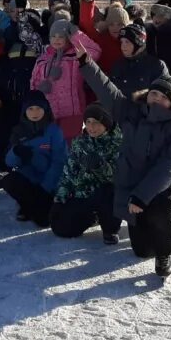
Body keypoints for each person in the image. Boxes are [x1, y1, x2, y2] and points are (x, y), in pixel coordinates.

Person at [77, 44, 171, 278]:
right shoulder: (134, 112)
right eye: (154, 93)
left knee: (161, 209)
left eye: (163, 96)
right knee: (141, 250)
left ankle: (166, 253)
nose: (156, 98)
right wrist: (87, 63)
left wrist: (141, 195)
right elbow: (109, 92)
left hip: (164, 186)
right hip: (134, 183)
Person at [50, 102, 124, 245]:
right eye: (88, 122)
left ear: (106, 124)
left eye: (96, 122)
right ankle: (92, 217)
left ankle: (110, 229)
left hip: (107, 194)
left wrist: (100, 166)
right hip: (83, 193)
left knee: (109, 192)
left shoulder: (118, 143)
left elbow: (119, 177)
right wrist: (61, 195)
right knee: (60, 228)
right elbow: (69, 171)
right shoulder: (80, 142)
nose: (91, 127)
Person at [30, 17, 101, 143]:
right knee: (49, 145)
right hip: (48, 112)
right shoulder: (43, 58)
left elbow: (95, 51)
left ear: (68, 38)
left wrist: (75, 34)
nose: (56, 39)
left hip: (72, 113)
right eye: (53, 36)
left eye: (61, 36)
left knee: (70, 147)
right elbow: (34, 82)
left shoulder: (76, 57)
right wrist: (35, 103)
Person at [2, 90, 67, 227]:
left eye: (38, 108)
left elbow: (59, 162)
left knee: (42, 221)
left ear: (45, 109)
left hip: (50, 184)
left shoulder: (54, 131)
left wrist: (45, 187)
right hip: (30, 179)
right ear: (25, 111)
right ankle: (26, 206)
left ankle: (40, 207)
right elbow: (9, 162)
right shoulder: (18, 131)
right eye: (30, 109)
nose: (35, 112)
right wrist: (16, 152)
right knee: (10, 181)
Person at [78, 0, 130, 74]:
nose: (115, 28)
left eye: (120, 24)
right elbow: (87, 24)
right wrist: (88, 1)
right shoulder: (103, 37)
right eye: (111, 24)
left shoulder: (132, 39)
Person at [110, 23, 169, 98]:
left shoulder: (156, 66)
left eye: (127, 42)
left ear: (139, 43)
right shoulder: (118, 65)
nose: (123, 46)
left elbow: (163, 96)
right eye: (122, 42)